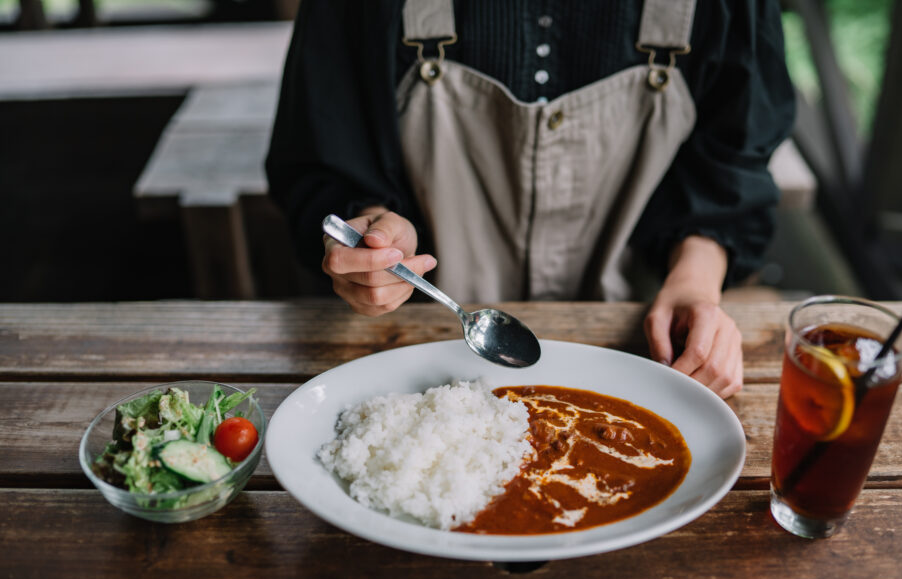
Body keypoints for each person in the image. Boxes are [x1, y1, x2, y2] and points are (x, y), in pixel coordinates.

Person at [266, 0, 795, 398]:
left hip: (640, 346)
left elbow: (731, 161)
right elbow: (320, 155)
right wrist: (376, 232)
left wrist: (696, 281)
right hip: (411, 347)